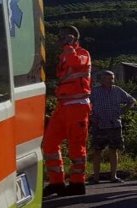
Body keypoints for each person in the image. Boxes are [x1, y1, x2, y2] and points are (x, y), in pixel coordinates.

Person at [42, 25, 92, 196]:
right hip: (63, 104)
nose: (60, 40)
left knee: (76, 147)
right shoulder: (64, 55)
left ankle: (77, 184)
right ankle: (57, 182)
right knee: (49, 143)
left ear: (73, 38)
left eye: (64, 37)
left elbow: (76, 63)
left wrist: (69, 46)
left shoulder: (82, 54)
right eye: (60, 37)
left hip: (77, 105)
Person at [88, 70, 136, 184]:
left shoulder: (117, 90)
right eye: (108, 78)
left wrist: (123, 111)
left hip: (114, 124)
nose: (111, 81)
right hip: (99, 125)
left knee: (113, 150)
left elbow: (132, 100)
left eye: (112, 78)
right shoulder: (94, 92)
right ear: (101, 80)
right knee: (97, 151)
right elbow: (85, 105)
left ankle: (113, 176)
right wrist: (91, 117)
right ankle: (95, 178)